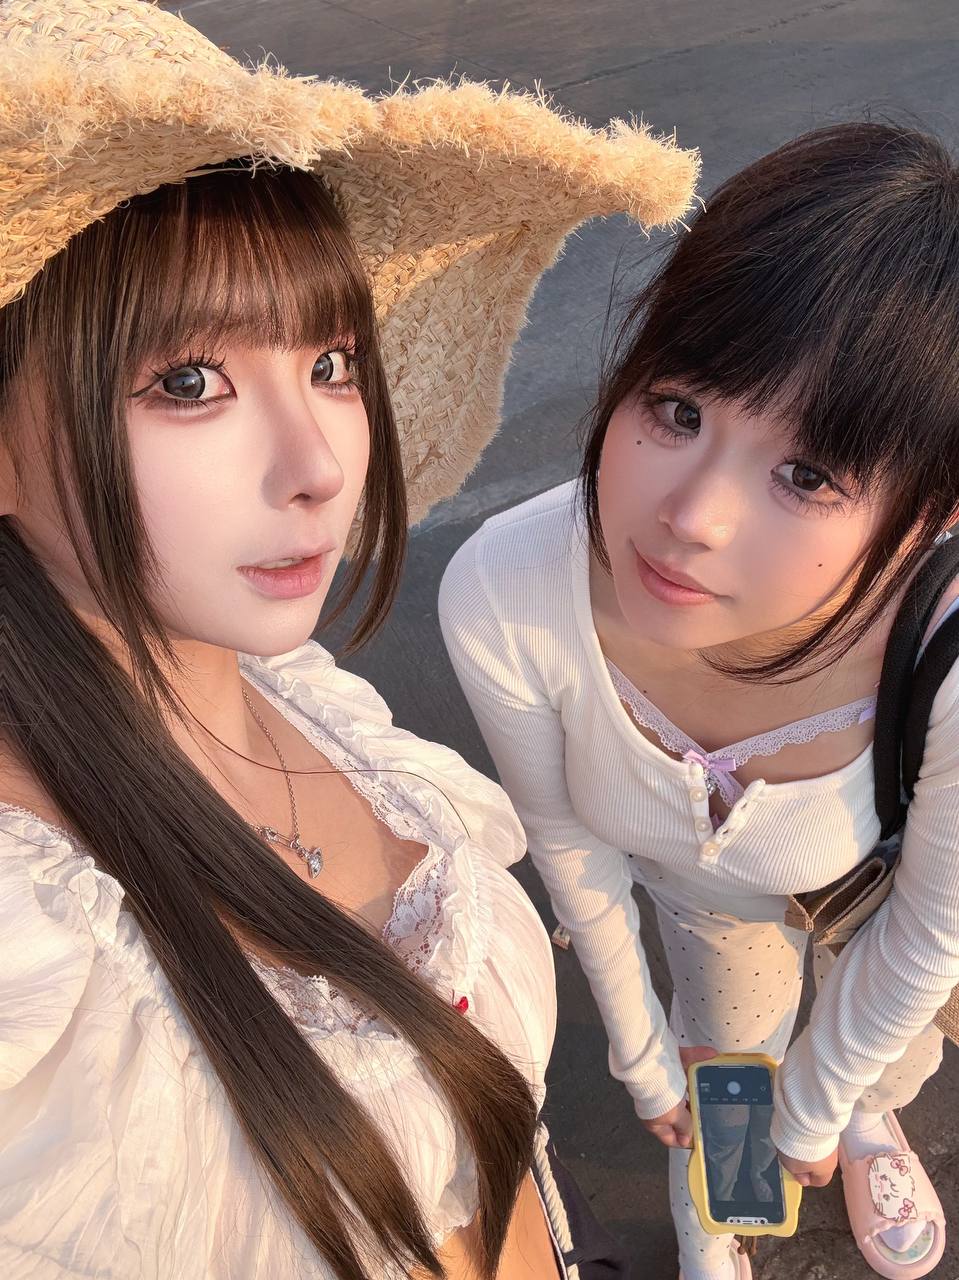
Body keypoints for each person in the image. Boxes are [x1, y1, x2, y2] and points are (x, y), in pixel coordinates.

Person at [0, 2, 698, 1277]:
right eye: (189, 382)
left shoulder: (301, 691)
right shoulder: (32, 965)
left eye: (329, 361)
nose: (318, 462)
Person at [439, 122, 959, 1280]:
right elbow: (569, 848)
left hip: (878, 893)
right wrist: (640, 1062)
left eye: (805, 472)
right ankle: (713, 1210)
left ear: (932, 513)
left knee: (881, 1053)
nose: (690, 516)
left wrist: (819, 1105)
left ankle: (864, 1125)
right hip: (707, 911)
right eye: (677, 408)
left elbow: (930, 929)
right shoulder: (508, 593)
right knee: (723, 1071)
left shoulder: (945, 644)